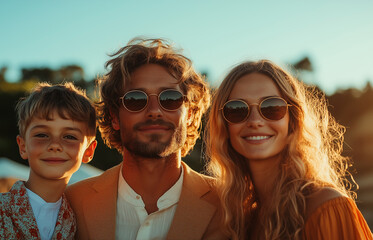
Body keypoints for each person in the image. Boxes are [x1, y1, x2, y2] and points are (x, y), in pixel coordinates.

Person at [66, 38, 226, 240]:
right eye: (136, 99)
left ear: (191, 114)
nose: (154, 111)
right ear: (114, 117)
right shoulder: (72, 202)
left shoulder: (229, 205)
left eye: (170, 98)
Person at [205, 59, 373, 239]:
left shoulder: (327, 206)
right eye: (237, 109)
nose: (255, 121)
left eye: (271, 107)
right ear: (224, 126)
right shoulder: (239, 219)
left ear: (292, 121)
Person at [0, 82, 97, 239]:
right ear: (23, 146)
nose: (55, 145)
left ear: (89, 151)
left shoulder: (83, 223)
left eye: (69, 136)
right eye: (42, 135)